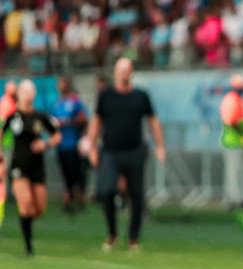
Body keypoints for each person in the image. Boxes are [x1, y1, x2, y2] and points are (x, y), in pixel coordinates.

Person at [86, 58, 166, 251]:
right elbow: (96, 121)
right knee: (107, 191)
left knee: (136, 194)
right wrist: (92, 147)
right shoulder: (106, 95)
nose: (123, 73)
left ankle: (133, 238)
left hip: (134, 151)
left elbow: (153, 121)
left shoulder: (141, 96)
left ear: (131, 73)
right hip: (110, 151)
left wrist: (160, 145)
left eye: (127, 70)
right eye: (120, 70)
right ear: (115, 72)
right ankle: (112, 233)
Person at [0, 80, 62, 255]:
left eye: (30, 91)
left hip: (37, 166)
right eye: (24, 91)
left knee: (38, 209)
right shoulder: (12, 116)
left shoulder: (40, 116)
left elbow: (57, 136)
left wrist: (45, 144)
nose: (27, 95)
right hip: (18, 165)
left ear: (34, 94)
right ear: (19, 94)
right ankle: (28, 247)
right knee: (25, 203)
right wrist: (1, 159)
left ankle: (25, 223)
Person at [51, 76, 89, 213]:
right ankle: (68, 201)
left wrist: (69, 122)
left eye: (63, 82)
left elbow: (83, 120)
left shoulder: (75, 101)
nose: (61, 85)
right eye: (59, 83)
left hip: (74, 144)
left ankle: (80, 200)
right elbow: (50, 124)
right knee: (65, 174)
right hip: (61, 145)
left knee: (78, 174)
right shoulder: (56, 104)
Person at [220, 73, 243, 209]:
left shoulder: (238, 99)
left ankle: (242, 197)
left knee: (240, 171)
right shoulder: (232, 99)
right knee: (234, 172)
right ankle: (235, 199)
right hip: (233, 141)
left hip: (240, 141)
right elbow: (231, 120)